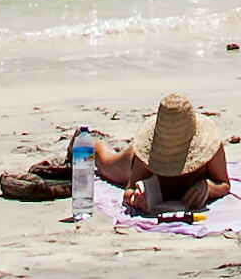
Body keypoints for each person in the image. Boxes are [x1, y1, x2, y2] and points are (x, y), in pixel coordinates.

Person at [93, 92, 229, 218]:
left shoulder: (209, 148)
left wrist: (208, 188)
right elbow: (128, 192)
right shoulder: (147, 155)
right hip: (130, 162)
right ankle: (84, 140)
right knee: (105, 160)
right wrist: (137, 198)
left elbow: (224, 184)